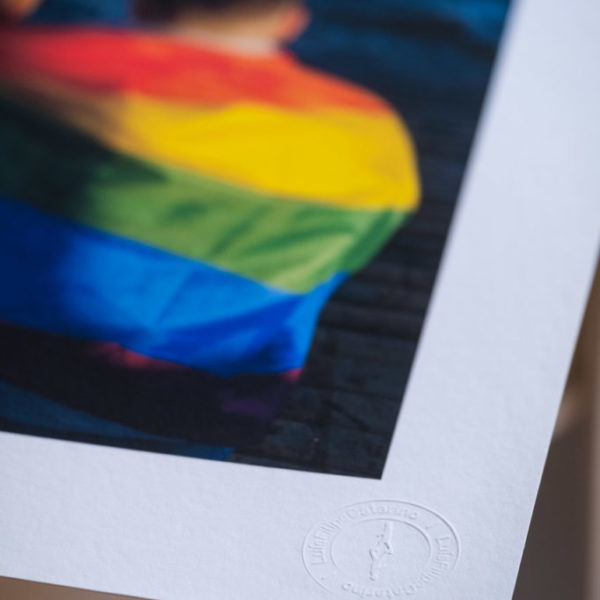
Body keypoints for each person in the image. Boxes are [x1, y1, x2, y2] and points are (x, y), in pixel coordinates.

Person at [0, 0, 420, 450]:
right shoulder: (371, 133)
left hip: (20, 374)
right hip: (200, 407)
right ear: (292, 18)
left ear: (141, 4)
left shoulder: (34, 68)